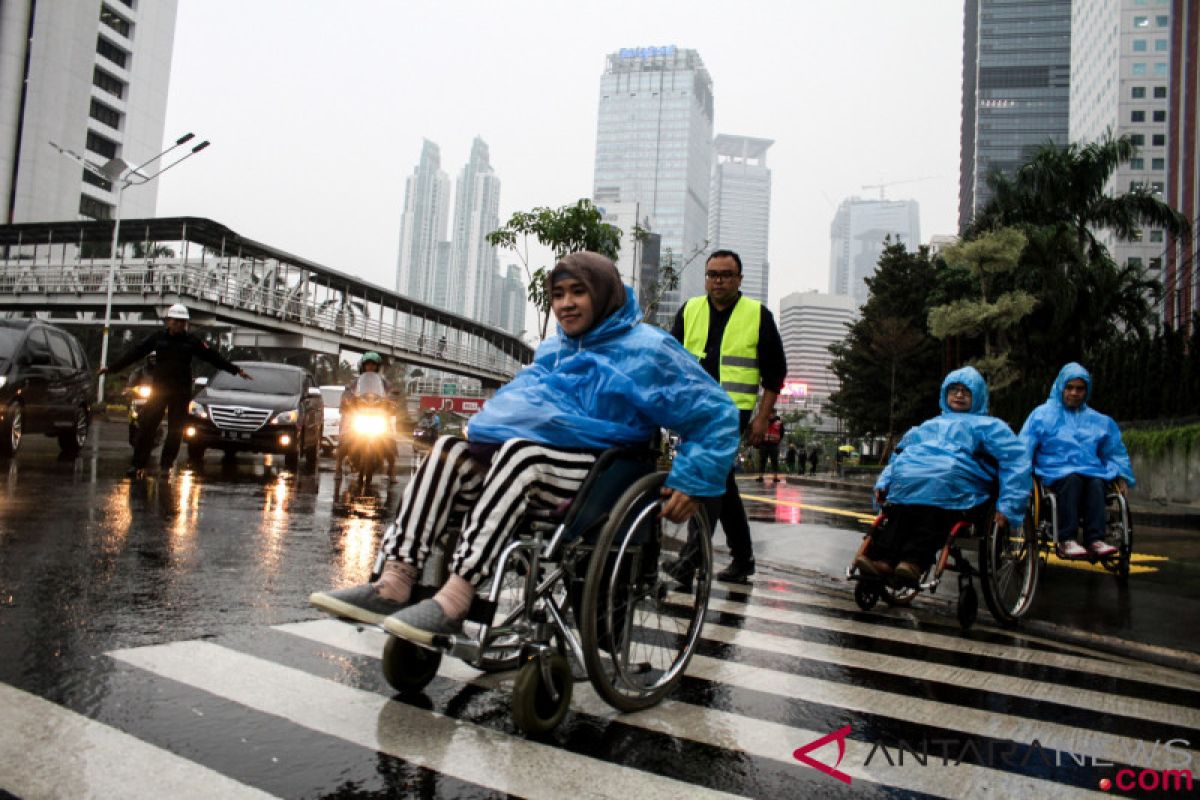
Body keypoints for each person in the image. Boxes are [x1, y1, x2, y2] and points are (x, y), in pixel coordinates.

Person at [310, 252, 738, 642]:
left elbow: (715, 413)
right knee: (449, 450)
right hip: (525, 468)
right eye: (558, 295)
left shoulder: (648, 350)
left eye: (578, 292)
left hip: (599, 474)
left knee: (522, 456)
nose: (566, 304)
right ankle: (395, 579)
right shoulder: (555, 348)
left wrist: (693, 479)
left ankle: (456, 598)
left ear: (603, 295)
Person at [671, 249, 787, 583]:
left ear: (739, 279)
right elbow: (674, 362)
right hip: (693, 411)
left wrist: (762, 419)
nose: (718, 280)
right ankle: (743, 558)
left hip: (730, 413)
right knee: (722, 484)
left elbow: (775, 374)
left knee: (706, 481)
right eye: (712, 274)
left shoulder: (757, 315)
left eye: (725, 275)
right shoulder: (690, 310)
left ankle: (689, 562)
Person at [855, 366, 1030, 586]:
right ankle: (882, 559)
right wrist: (884, 483)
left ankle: (913, 561)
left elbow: (1015, 461)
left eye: (966, 391)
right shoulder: (927, 426)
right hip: (914, 482)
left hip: (959, 489)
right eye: (954, 390)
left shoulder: (991, 427)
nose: (959, 395)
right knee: (899, 508)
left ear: (978, 396)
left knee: (933, 505)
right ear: (945, 394)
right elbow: (900, 455)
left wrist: (1009, 505)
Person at [102, 304, 251, 477]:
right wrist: (112, 368)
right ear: (169, 322)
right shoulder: (158, 338)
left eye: (183, 322)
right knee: (147, 427)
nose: (180, 325)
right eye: (177, 321)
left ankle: (166, 466)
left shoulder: (192, 341)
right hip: (159, 391)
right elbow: (136, 353)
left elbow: (213, 357)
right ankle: (137, 464)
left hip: (180, 393)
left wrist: (235, 370)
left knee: (175, 431)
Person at [1019, 363, 1135, 560]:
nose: (1074, 393)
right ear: (1060, 388)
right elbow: (1024, 447)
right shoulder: (1041, 415)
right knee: (1072, 479)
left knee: (1096, 483)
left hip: (1091, 471)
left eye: (1080, 388)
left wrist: (1122, 475)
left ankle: (1095, 539)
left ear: (1086, 390)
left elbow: (1114, 450)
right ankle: (1067, 539)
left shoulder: (1099, 420)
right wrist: (1022, 478)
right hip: (1054, 472)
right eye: (1069, 387)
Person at [335, 352, 397, 482]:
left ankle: (391, 470)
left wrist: (391, 402)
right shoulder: (354, 382)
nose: (370, 367)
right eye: (368, 364)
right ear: (363, 366)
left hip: (378, 416)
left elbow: (392, 395)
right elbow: (347, 394)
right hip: (358, 415)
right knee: (345, 438)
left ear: (377, 366)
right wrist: (348, 400)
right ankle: (338, 468)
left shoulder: (385, 383)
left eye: (373, 365)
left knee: (390, 439)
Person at [755, 413, 784, 483]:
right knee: (762, 461)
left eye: (772, 414)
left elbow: (782, 433)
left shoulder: (779, 423)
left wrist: (777, 441)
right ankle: (760, 477)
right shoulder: (763, 422)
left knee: (774, 461)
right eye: (769, 413)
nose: (770, 415)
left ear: (774, 414)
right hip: (763, 444)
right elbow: (759, 432)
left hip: (774, 445)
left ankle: (775, 477)